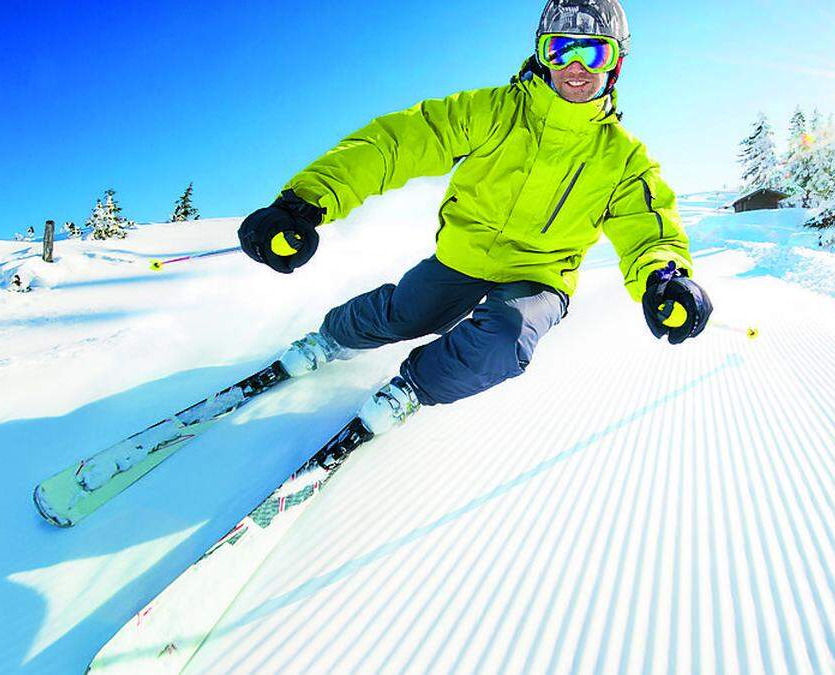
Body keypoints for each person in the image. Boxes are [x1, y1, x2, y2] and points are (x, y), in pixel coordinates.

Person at [237, 0, 712, 436]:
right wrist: (304, 201)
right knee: (407, 312)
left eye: (595, 54)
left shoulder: (625, 160)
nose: (576, 67)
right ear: (542, 54)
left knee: (506, 336)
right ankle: (329, 341)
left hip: (540, 276)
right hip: (463, 255)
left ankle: (413, 389)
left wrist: (664, 279)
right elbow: (397, 144)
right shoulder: (493, 112)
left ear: (616, 64)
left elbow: (650, 227)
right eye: (562, 48)